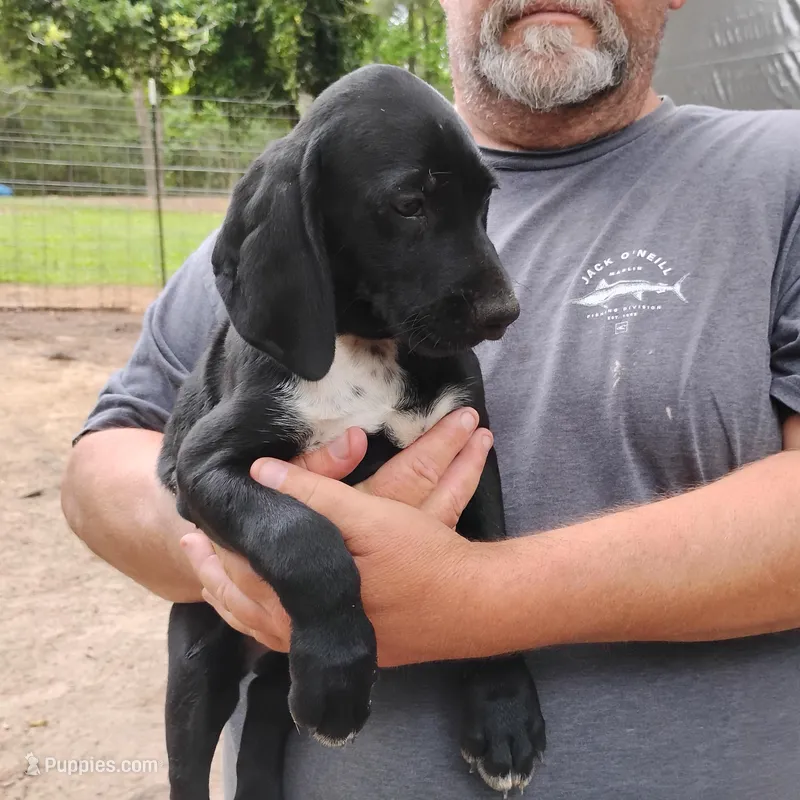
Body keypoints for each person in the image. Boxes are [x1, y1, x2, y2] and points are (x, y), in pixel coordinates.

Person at [61, 0, 800, 797]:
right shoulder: (295, 216)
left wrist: (477, 602)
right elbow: (102, 470)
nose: (499, 305)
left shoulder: (779, 170)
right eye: (411, 206)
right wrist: (254, 557)